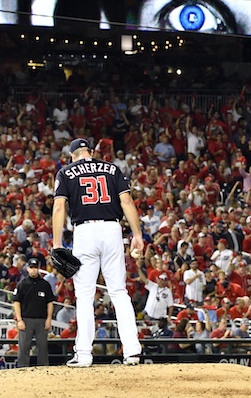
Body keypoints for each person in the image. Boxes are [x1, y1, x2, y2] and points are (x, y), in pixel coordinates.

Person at [52, 138, 143, 367]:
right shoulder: (112, 168)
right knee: (119, 292)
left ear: (73, 155)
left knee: (84, 295)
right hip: (112, 228)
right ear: (90, 152)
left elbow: (59, 206)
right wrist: (138, 235)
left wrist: (56, 243)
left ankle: (83, 355)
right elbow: (127, 202)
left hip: (85, 231)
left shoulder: (66, 172)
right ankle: (132, 351)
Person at [13, 258, 56, 367]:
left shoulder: (45, 285)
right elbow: (16, 302)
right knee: (24, 346)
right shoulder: (22, 284)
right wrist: (19, 320)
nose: (33, 270)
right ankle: (22, 368)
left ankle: (43, 368)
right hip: (26, 319)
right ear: (27, 269)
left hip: (41, 320)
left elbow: (50, 302)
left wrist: (49, 319)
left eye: (35, 268)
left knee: (42, 346)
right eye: (31, 268)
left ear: (39, 269)